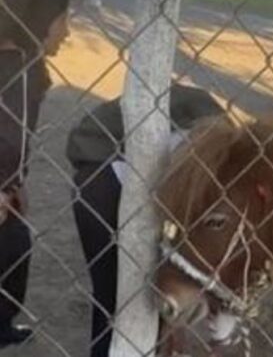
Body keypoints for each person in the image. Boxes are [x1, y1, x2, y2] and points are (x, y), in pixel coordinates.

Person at [68, 82, 226, 357]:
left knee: (116, 297)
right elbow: (180, 213)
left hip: (95, 177)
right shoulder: (213, 149)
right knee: (124, 297)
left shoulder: (215, 136)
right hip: (107, 186)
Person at [0, 0, 72, 347]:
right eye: (62, 21)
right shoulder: (14, 68)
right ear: (40, 21)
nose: (68, 32)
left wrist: (15, 182)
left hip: (6, 186)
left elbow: (15, 138)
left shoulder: (29, 68)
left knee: (16, 246)